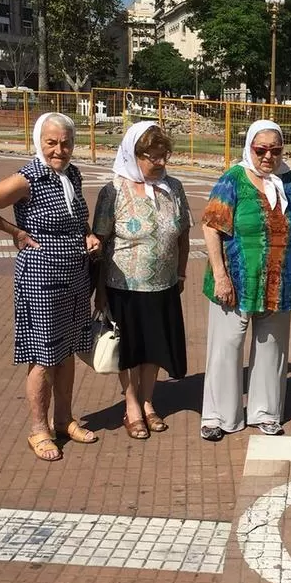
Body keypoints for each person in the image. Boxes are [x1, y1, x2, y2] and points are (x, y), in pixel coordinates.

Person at [0, 112, 100, 462]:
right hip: (42, 275)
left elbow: (77, 218)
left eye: (66, 143)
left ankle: (65, 419)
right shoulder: (29, 177)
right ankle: (39, 429)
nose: (59, 149)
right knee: (43, 356)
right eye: (51, 142)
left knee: (68, 350)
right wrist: (16, 233)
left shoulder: (71, 174)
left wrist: (88, 236)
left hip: (75, 275)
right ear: (39, 141)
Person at [200, 120, 291, 441]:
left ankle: (265, 413)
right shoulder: (233, 179)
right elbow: (210, 227)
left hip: (279, 281)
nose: (268, 156)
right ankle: (219, 416)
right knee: (226, 348)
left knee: (272, 350)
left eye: (275, 150)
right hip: (234, 282)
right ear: (249, 148)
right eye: (261, 149)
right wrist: (220, 275)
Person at [92, 122, 191, 439]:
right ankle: (132, 406)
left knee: (154, 348)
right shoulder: (113, 191)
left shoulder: (172, 187)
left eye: (164, 156)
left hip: (163, 284)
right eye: (153, 157)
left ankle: (149, 401)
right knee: (130, 350)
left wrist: (180, 272)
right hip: (124, 287)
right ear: (133, 155)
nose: (160, 163)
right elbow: (101, 241)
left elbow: (183, 234)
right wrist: (101, 291)